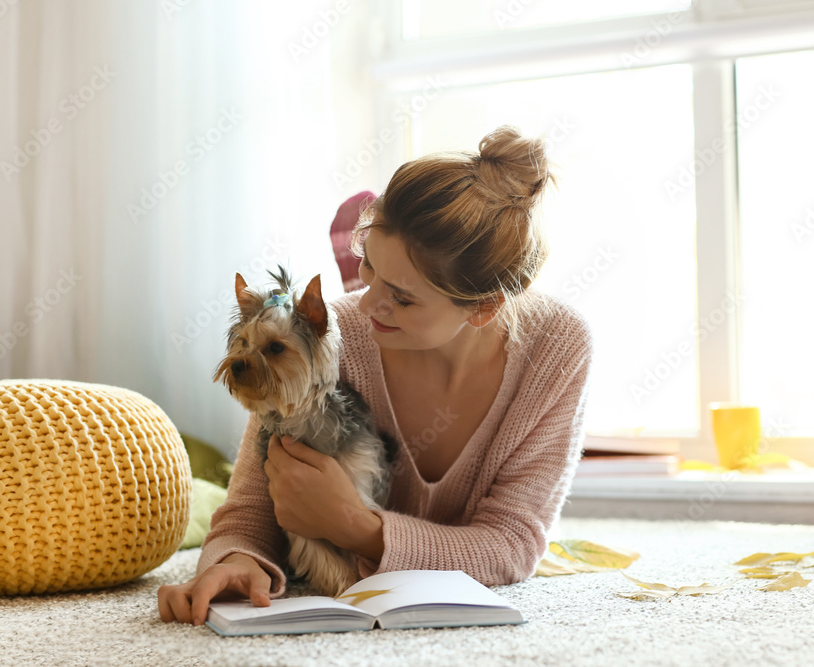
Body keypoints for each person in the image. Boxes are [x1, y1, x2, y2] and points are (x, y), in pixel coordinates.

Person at [158, 125, 593, 626]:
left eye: (402, 296)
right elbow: (252, 508)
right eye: (368, 267)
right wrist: (236, 562)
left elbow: (511, 546)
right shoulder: (332, 336)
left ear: (484, 308)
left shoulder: (557, 348)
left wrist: (355, 526)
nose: (364, 305)